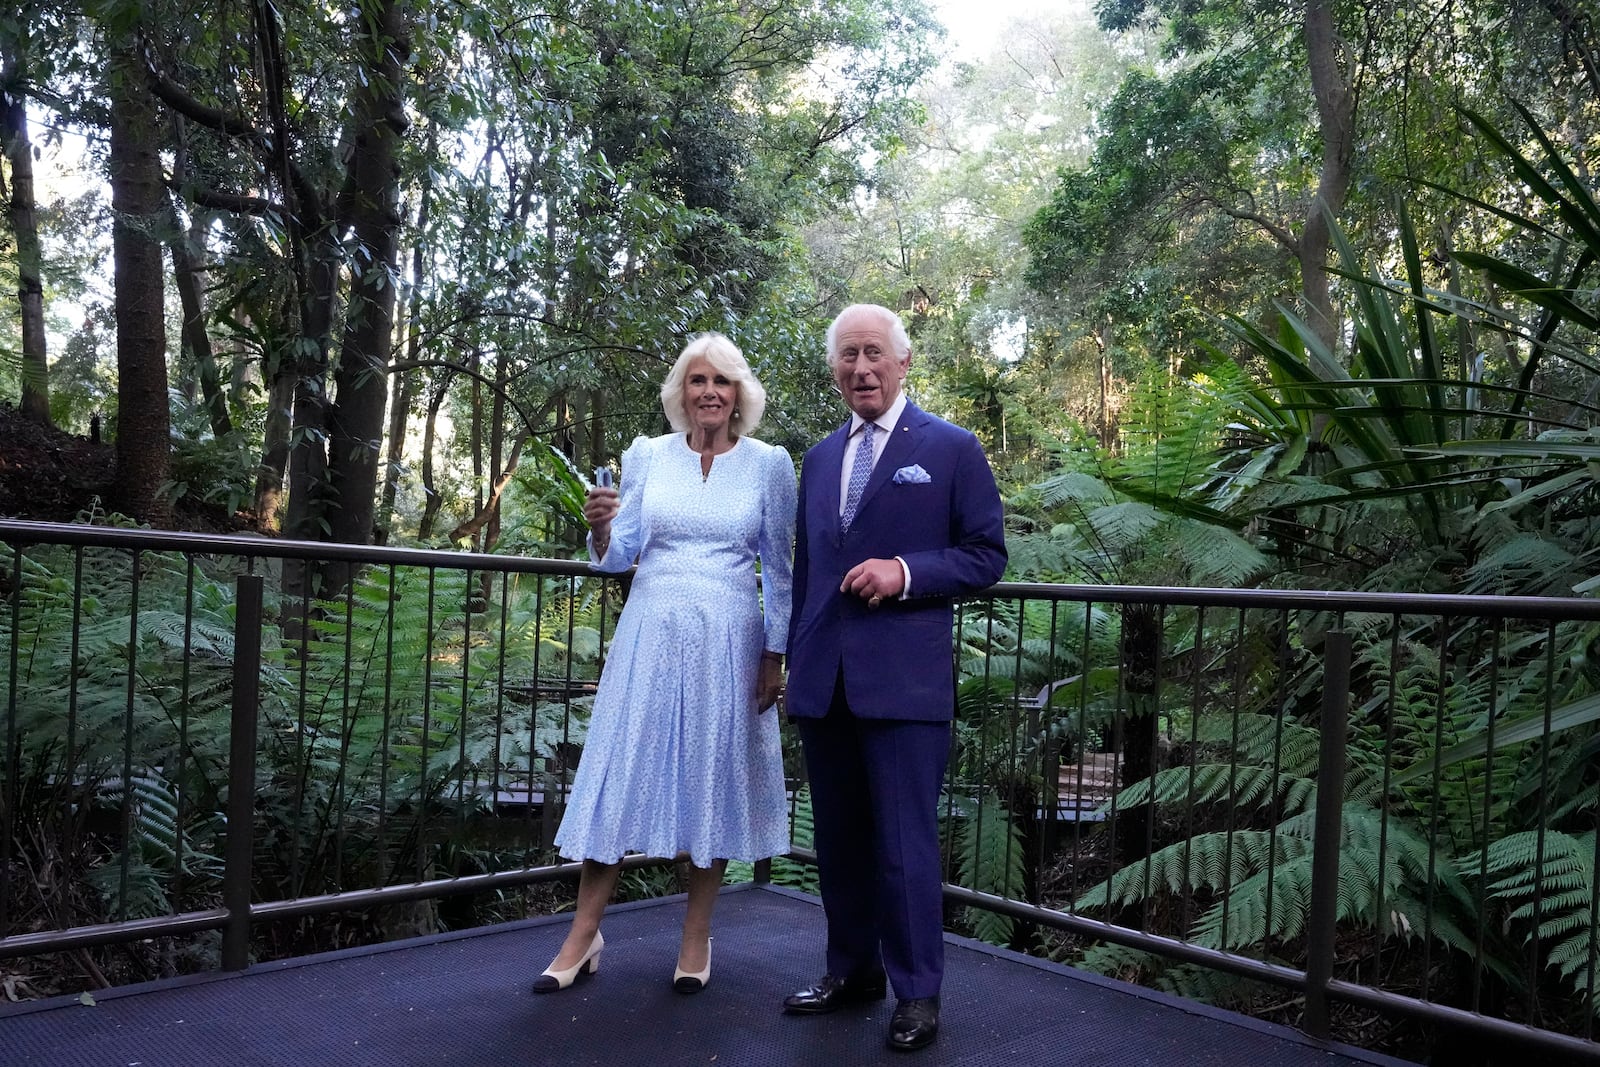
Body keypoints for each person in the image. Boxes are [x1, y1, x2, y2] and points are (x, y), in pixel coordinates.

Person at [535, 333, 796, 996]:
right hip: (650, 633)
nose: (709, 391)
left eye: (722, 381)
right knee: (620, 772)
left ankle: (695, 936)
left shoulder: (769, 464)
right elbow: (620, 553)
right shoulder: (647, 455)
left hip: (730, 641)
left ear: (740, 395)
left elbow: (783, 569)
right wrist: (599, 527)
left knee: (710, 774)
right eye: (697, 379)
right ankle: (582, 934)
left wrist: (775, 652)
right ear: (682, 392)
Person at [781, 304, 1007, 1051]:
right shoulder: (817, 458)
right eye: (847, 356)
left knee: (904, 844)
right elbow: (809, 574)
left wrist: (905, 571)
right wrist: (791, 661)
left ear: (905, 361)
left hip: (905, 685)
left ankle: (917, 993)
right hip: (825, 682)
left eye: (874, 352)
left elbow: (985, 556)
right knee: (839, 841)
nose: (861, 368)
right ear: (834, 368)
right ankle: (852, 969)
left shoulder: (951, 447)